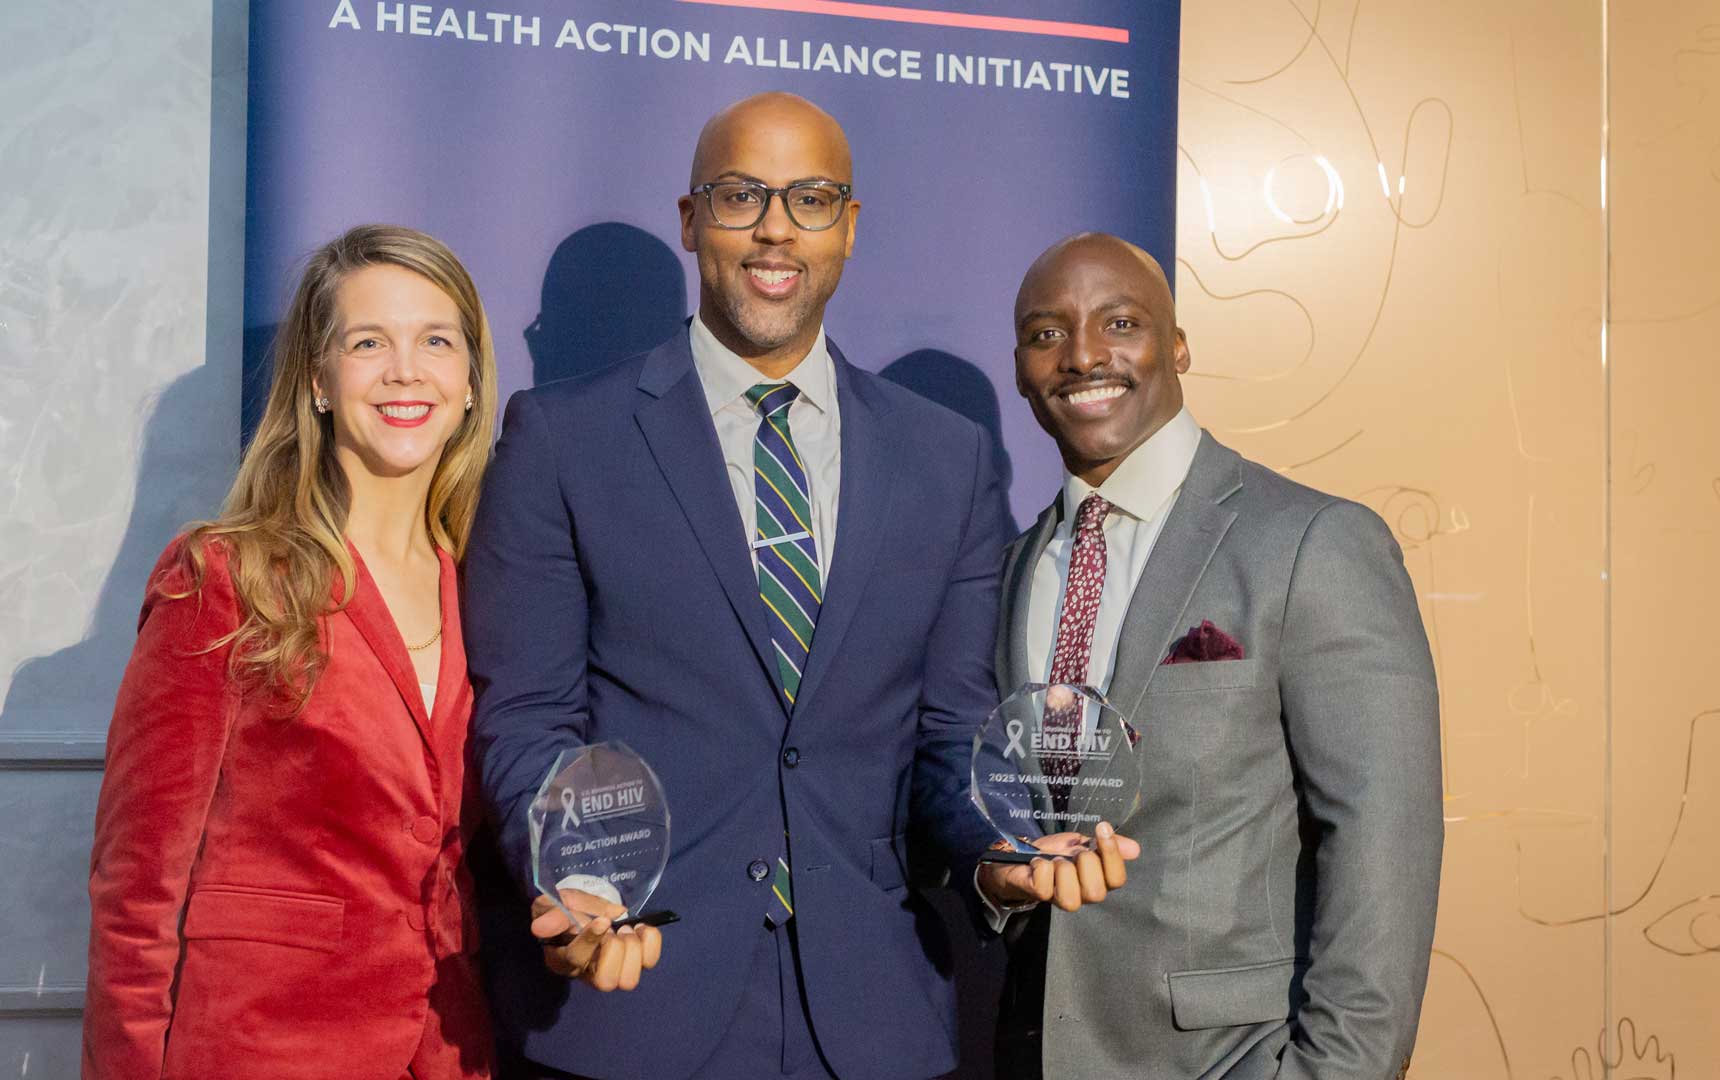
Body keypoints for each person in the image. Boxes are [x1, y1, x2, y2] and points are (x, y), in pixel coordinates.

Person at [464, 91, 1032, 1080]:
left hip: (875, 1017)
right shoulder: (563, 439)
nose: (776, 228)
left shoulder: (948, 460)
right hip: (635, 991)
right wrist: (575, 879)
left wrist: (1002, 851)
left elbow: (953, 731)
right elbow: (529, 717)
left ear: (848, 226)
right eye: (740, 196)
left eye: (811, 199)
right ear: (692, 221)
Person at [989, 232, 1443, 1079]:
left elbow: (1384, 841)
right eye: (1047, 334)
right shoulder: (1016, 567)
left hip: (1232, 1059)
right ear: (1020, 369)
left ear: (1179, 345)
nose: (1083, 355)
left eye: (1120, 322)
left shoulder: (1313, 543)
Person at [82, 225, 499, 1079]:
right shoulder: (223, 578)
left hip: (448, 1050)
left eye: (435, 342)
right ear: (317, 380)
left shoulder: (494, 588)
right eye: (368, 343)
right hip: (260, 1047)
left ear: (468, 383)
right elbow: (137, 890)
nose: (405, 370)